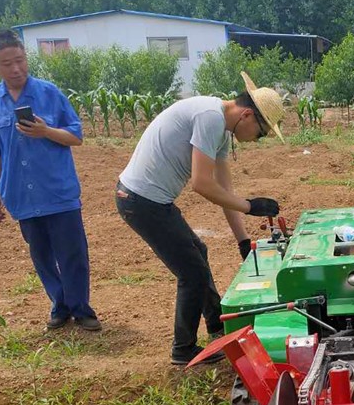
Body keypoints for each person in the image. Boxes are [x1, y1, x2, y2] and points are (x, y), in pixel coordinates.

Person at [115, 72, 285, 366]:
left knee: (198, 254)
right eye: (261, 133)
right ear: (247, 115)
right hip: (141, 201)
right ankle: (183, 348)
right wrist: (250, 206)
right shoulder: (211, 119)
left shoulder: (221, 126)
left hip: (152, 200)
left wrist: (243, 240)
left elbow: (223, 189)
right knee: (191, 273)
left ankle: (216, 323)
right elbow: (201, 184)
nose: (258, 140)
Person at [0, 29, 101, 331]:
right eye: (7, 63)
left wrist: (47, 131)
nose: (16, 68)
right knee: (42, 255)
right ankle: (59, 305)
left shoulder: (49, 93)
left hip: (58, 191)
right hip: (21, 194)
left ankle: (81, 308)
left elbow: (76, 136)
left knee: (72, 253)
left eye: (20, 60)